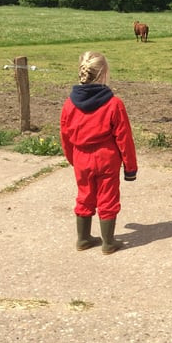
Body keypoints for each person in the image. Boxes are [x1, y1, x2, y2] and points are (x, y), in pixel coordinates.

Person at [60, 51, 137, 255]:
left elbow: (65, 135)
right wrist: (130, 168)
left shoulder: (69, 104)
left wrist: (72, 158)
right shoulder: (114, 104)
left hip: (81, 157)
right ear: (104, 74)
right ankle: (108, 242)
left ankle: (83, 238)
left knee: (84, 196)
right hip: (106, 158)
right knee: (108, 198)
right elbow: (124, 138)